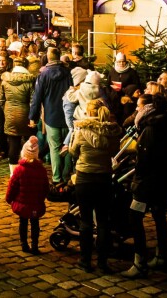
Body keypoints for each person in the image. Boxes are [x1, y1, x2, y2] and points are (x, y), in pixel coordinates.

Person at [121, 94, 167, 277]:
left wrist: (137, 178)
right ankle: (161, 255)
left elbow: (144, 160)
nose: (136, 110)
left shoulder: (150, 129)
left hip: (148, 183)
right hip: (164, 179)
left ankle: (139, 262)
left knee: (134, 216)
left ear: (147, 108)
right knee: (158, 214)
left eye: (139, 107)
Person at [69, 98, 123, 274]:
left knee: (85, 221)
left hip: (85, 177)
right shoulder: (112, 131)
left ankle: (85, 260)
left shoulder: (82, 130)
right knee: (103, 221)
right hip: (104, 178)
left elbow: (73, 151)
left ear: (89, 112)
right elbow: (115, 152)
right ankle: (102, 261)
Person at [29, 47, 73, 185]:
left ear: (48, 57)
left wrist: (33, 117)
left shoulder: (44, 75)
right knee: (67, 146)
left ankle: (56, 177)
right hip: (67, 115)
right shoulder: (67, 73)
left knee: (54, 147)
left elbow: (37, 97)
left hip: (51, 115)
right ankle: (66, 177)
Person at [5, 136, 49, 255]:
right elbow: (46, 186)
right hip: (36, 203)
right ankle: (35, 244)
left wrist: (9, 198)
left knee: (23, 223)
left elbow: (12, 186)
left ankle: (24, 243)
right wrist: (42, 197)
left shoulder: (19, 170)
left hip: (22, 203)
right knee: (35, 223)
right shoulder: (41, 170)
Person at [0, 64, 36, 175]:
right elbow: (32, 101)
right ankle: (29, 168)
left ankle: (13, 172)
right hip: (25, 114)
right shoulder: (29, 83)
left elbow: (1, 100)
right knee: (30, 143)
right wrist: (32, 117)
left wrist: (6, 110)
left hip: (10, 114)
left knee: (13, 143)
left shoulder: (5, 82)